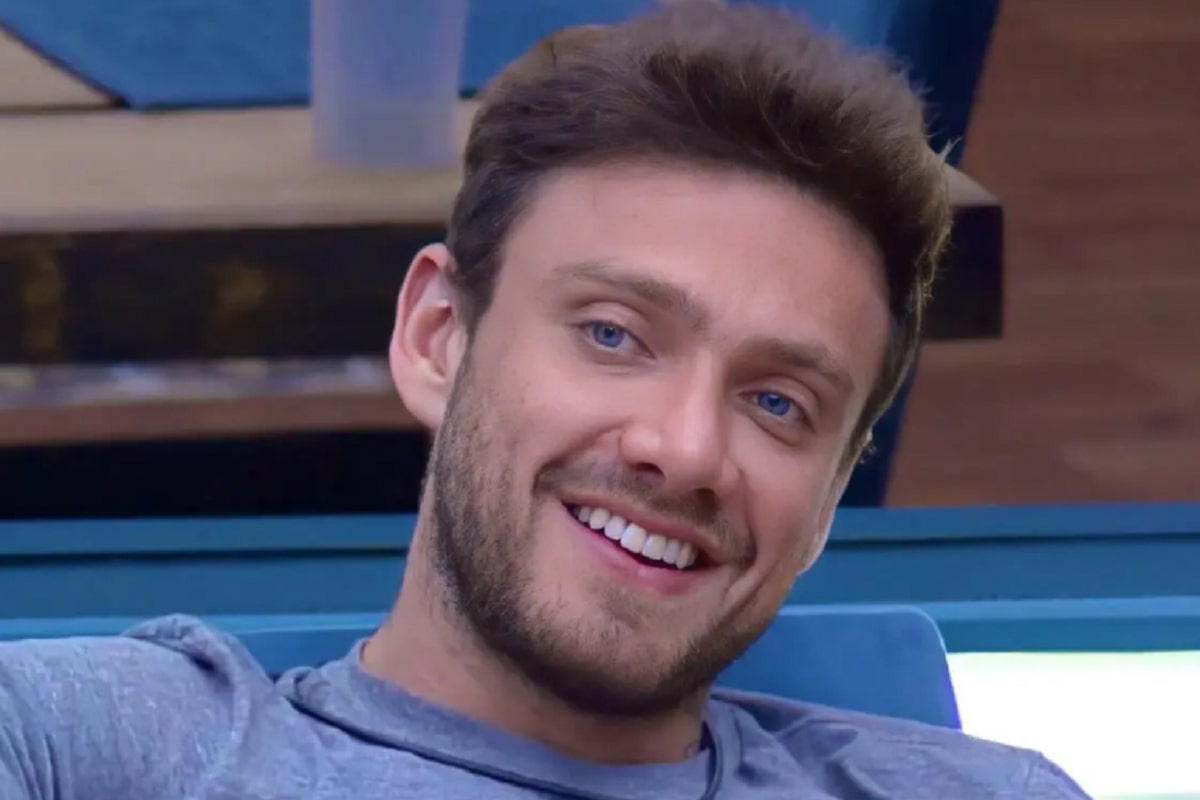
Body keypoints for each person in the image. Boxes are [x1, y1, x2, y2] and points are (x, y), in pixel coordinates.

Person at [0, 4, 1092, 799]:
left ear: (834, 490)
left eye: (776, 402)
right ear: (438, 338)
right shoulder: (98, 748)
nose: (684, 448)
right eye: (614, 335)